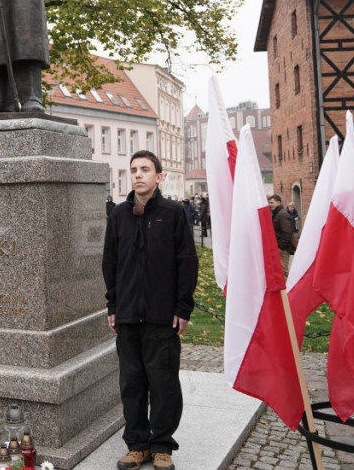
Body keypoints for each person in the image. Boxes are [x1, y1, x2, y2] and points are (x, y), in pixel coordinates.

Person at [102, 150, 197, 470]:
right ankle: (137, 444)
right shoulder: (118, 215)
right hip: (128, 315)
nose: (138, 174)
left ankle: (161, 445)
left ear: (159, 176)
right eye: (134, 170)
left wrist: (183, 307)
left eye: (145, 169)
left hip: (162, 315)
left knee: (163, 382)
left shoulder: (172, 213)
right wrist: (113, 305)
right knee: (131, 382)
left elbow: (187, 261)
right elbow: (110, 263)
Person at [269, 194, 295, 273]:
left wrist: (281, 246)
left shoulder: (282, 214)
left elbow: (287, 232)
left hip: (283, 249)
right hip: (279, 247)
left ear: (278, 203)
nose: (270, 205)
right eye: (269, 203)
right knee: (279, 271)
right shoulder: (277, 214)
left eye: (272, 203)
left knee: (283, 272)